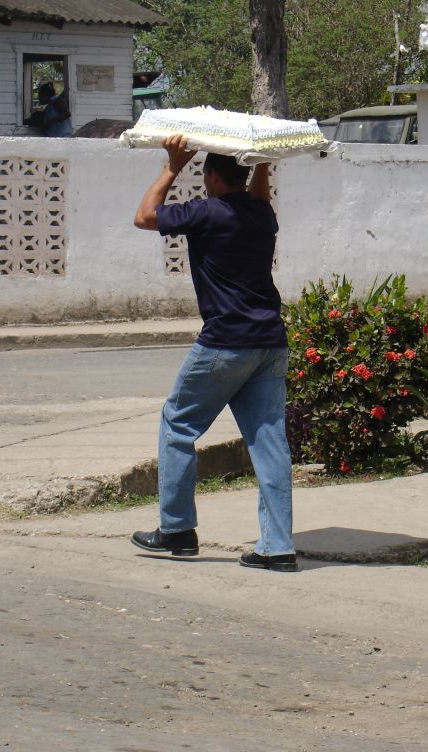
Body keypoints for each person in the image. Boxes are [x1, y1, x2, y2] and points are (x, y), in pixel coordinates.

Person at [129, 135, 296, 572]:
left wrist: (172, 166)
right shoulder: (262, 215)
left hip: (225, 341)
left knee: (178, 423)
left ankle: (177, 530)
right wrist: (263, 164)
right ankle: (277, 547)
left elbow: (144, 216)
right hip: (270, 342)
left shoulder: (207, 212)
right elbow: (259, 198)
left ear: (213, 178)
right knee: (269, 443)